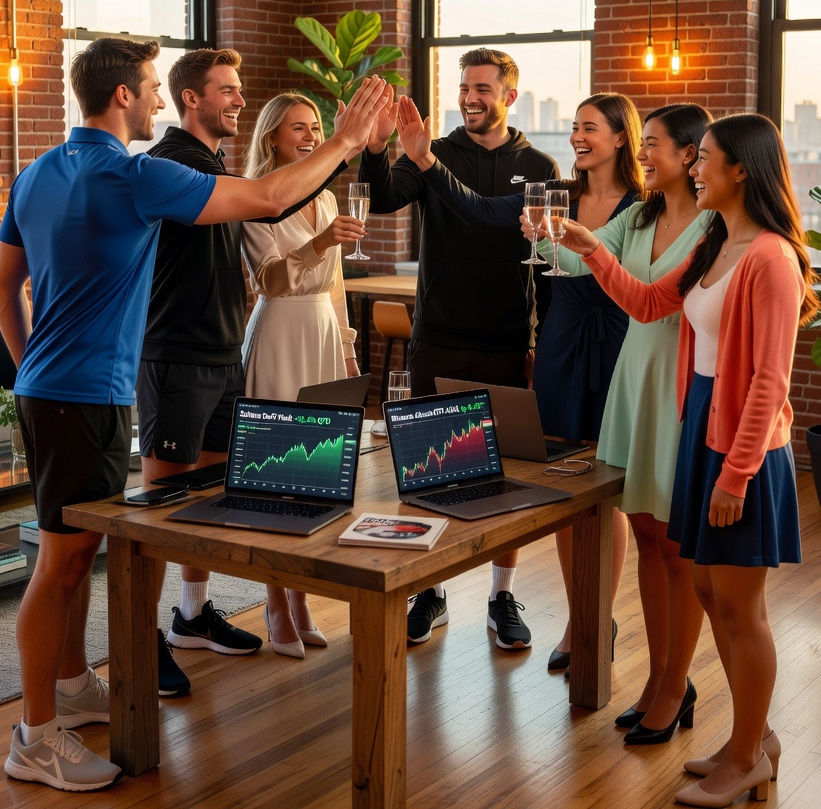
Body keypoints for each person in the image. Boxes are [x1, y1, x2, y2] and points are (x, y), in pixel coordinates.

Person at [0, 36, 388, 791]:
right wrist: (343, 141)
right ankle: (34, 735)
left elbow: (1, 288)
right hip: (82, 394)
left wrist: (27, 369)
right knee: (61, 563)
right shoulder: (135, 175)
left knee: (76, 557)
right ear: (123, 99)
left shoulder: (37, 171)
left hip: (63, 389)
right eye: (150, 87)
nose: (158, 99)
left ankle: (71, 688)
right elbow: (268, 199)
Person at [559, 114, 819, 808]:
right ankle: (754, 740)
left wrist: (735, 476)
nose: (692, 169)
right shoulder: (717, 244)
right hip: (701, 429)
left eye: (703, 159)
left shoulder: (770, 257)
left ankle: (747, 757)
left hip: (742, 449)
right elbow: (647, 304)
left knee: (741, 610)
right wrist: (591, 248)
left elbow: (769, 380)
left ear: (742, 171)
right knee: (708, 592)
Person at [395, 92, 644, 670]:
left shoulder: (643, 205)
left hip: (615, 340)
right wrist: (426, 161)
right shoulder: (559, 194)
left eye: (590, 128)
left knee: (611, 487)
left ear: (620, 138)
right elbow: (484, 212)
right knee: (560, 482)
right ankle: (578, 618)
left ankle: (597, 619)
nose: (578, 136)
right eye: (575, 126)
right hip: (561, 340)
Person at [137, 49, 347, 696]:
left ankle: (192, 617)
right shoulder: (171, 164)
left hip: (223, 357)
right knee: (158, 515)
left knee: (214, 501)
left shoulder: (213, 164)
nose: (237, 98)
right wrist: (345, 141)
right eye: (225, 90)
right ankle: (142, 645)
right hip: (177, 357)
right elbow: (271, 223)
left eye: (238, 89)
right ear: (188, 99)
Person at [360, 48, 558, 650]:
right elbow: (384, 198)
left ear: (509, 96)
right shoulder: (434, 151)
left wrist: (538, 343)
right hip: (438, 338)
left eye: (483, 89)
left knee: (505, 475)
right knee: (428, 472)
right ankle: (430, 588)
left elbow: (535, 258)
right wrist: (375, 149)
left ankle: (501, 593)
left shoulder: (539, 164)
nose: (470, 98)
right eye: (465, 88)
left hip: (504, 342)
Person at [543, 105, 712, 743]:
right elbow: (586, 262)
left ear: (692, 155)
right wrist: (547, 231)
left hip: (678, 374)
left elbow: (652, 296)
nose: (644, 153)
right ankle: (659, 679)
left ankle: (676, 681)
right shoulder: (638, 216)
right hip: (634, 368)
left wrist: (584, 248)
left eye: (655, 145)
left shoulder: (715, 224)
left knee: (676, 544)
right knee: (643, 530)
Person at [240, 92, 364, 656]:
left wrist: (347, 350)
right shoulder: (256, 200)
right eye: (300, 129)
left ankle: (301, 598)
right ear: (272, 138)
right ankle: (273, 600)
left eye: (317, 127)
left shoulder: (330, 195)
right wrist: (319, 242)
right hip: (280, 332)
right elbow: (268, 279)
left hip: (319, 333)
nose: (312, 136)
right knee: (273, 479)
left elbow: (334, 285)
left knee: (314, 475)